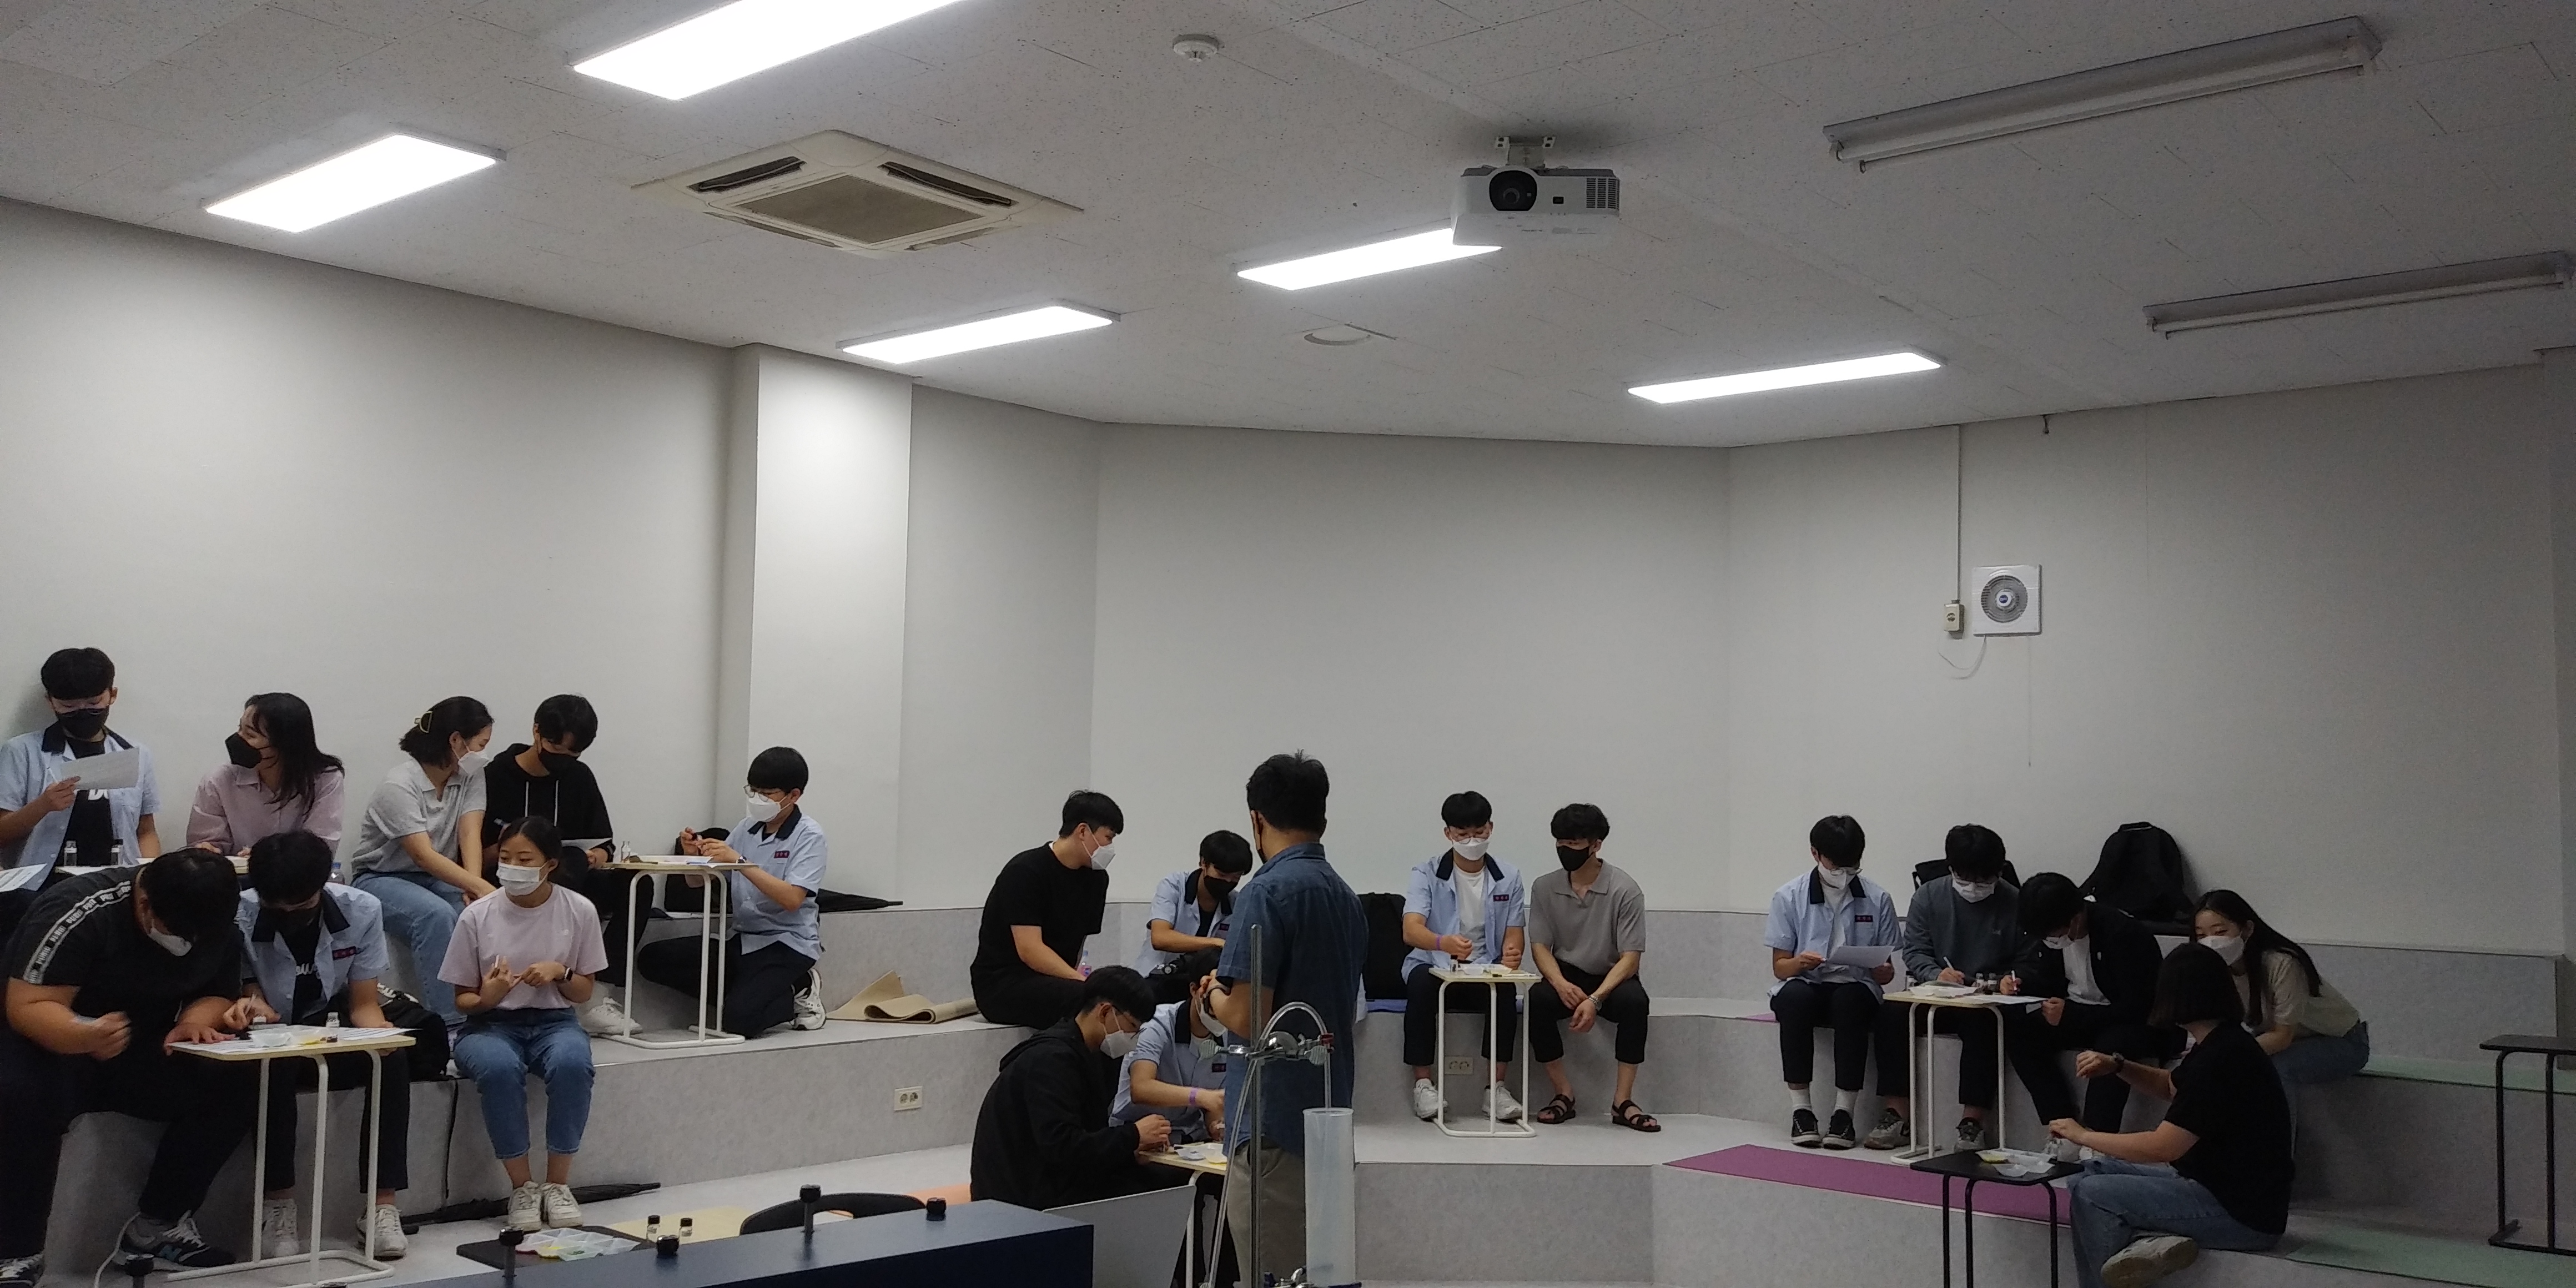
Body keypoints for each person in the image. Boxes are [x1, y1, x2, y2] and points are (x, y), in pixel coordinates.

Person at [0, 850, 256, 1283]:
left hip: (141, 1041)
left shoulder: (214, 916)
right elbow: (28, 1005)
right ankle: (16, 1253)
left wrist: (195, 1022)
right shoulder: (79, 911)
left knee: (239, 1077)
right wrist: (82, 1035)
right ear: (145, 904)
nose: (189, 943)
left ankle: (157, 1226)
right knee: (21, 1093)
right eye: (178, 933)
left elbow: (218, 990)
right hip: (53, 1041)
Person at [1205, 753, 1365, 1283]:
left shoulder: (1265, 893)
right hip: (1326, 1120)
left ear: (1257, 820)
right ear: (1323, 818)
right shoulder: (1346, 898)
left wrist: (1211, 998)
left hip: (1272, 1125)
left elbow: (1249, 1018)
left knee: (1271, 1274)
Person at [2052, 944, 2292, 1288]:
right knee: (2088, 1174)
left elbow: (2162, 1147)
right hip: (2217, 1189)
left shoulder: (2220, 1059)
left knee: (2094, 1194)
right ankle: (2150, 1241)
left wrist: (2082, 1135)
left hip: (2241, 1214)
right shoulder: (2223, 1042)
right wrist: (2118, 1066)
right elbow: (2171, 1085)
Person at [228, 830, 413, 1259]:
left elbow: (364, 1004)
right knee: (275, 1063)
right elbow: (242, 988)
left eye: (300, 906)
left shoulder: (361, 909)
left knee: (390, 1059)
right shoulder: (238, 913)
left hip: (328, 1025)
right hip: (269, 1033)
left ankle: (382, 1207)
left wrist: (380, 1035)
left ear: (321, 886)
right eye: (279, 908)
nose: (289, 914)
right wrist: (251, 1005)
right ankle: (279, 1206)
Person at [438, 817, 606, 1234]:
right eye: (506, 858)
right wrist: (489, 996)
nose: (512, 867)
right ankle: (522, 1188)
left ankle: (557, 1185)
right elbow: (462, 999)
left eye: (524, 859)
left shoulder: (579, 910)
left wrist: (561, 972)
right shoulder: (477, 915)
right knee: (498, 1068)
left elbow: (584, 992)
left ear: (550, 864)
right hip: (488, 1025)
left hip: (555, 1021)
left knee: (573, 1063)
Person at [636, 747, 829, 1037]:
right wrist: (694, 856)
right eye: (754, 791)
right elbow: (697, 883)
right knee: (653, 958)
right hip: (741, 939)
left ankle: (798, 988)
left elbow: (792, 899)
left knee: (739, 1023)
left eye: (767, 794)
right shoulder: (747, 828)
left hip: (786, 944)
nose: (758, 799)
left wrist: (739, 862)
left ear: (793, 796)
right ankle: (748, 996)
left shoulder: (809, 836)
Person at [483, 696, 641, 1036]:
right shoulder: (495, 776)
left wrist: (597, 855)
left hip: (571, 873)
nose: (564, 760)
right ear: (536, 732)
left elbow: (604, 842)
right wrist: (518, 853)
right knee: (565, 864)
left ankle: (598, 995)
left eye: (574, 753)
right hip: (509, 878)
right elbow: (475, 849)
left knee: (635, 885)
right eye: (556, 748)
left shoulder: (579, 777)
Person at [969, 965, 1180, 1210]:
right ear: (1106, 1012)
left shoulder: (1093, 1055)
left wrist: (1131, 1150)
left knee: (1166, 1178)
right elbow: (1062, 1147)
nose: (1134, 1040)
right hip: (1017, 1194)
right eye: (1132, 1027)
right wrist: (1133, 1135)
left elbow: (1084, 1141)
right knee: (1150, 1192)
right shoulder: (1051, 1060)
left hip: (1049, 1176)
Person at [347, 698, 494, 1028]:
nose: (484, 754)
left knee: (477, 914)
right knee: (436, 916)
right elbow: (422, 855)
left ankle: (490, 1014)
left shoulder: (471, 775)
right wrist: (480, 886)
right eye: (481, 745)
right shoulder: (399, 785)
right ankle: (452, 1025)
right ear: (456, 741)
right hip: (380, 878)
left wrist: (474, 889)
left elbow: (469, 832)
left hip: (437, 876)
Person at [1875, 823, 2020, 1152]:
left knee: (1984, 1021)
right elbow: (1915, 950)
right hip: (1937, 992)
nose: (1974, 887)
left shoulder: (2014, 901)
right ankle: (1896, 1114)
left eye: (1983, 880)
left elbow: (2025, 957)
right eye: (1966, 878)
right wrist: (1937, 974)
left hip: (1985, 998)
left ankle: (1972, 1123)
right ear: (1951, 869)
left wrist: (2003, 981)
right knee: (1891, 1013)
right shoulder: (1928, 895)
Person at [1764, 815, 1900, 1149]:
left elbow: (1887, 970)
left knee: (1851, 1001)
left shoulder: (1878, 898)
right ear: (1815, 854)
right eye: (1836, 865)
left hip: (1854, 985)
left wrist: (1883, 972)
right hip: (1807, 982)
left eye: (1851, 866)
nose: (1844, 873)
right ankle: (1802, 1111)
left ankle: (1844, 1114)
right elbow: (1780, 968)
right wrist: (1800, 962)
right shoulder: (1789, 896)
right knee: (1794, 999)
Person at [2003, 873, 2174, 1135]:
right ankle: (2061, 1125)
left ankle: (2096, 1136)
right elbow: (2049, 980)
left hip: (2131, 1023)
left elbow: (2139, 1007)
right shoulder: (2051, 938)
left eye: (2052, 934)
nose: (2049, 940)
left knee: (2111, 1047)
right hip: (2079, 1016)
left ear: (2075, 919)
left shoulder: (2124, 935)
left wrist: (2072, 1014)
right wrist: (2020, 984)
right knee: (2019, 1031)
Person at [1398, 789, 1527, 1123]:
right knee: (1420, 985)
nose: (1472, 841)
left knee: (1505, 989)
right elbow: (1411, 930)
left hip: (1484, 967)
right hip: (1435, 963)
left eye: (1479, 832)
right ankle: (1424, 1085)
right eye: (1462, 834)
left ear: (1491, 828)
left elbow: (1515, 933)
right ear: (1448, 834)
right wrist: (1442, 943)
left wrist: (1513, 954)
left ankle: (1495, 1090)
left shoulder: (1509, 876)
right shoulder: (1427, 873)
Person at [1525, 803, 1654, 1131]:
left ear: (1596, 845)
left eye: (1574, 844)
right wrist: (1559, 983)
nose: (1565, 850)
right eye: (1560, 843)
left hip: (1612, 975)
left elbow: (1630, 957)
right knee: (1537, 1001)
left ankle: (1622, 1101)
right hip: (1567, 973)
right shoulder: (1544, 887)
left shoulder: (1625, 889)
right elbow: (1539, 946)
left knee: (1636, 1003)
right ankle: (1563, 1093)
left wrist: (1596, 999)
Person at [0, 647, 162, 882]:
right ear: (50, 702)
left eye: (94, 703)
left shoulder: (135, 753)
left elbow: (146, 831)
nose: (82, 712)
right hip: (45, 887)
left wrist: (149, 879)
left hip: (119, 884)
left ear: (112, 695)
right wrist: (42, 806)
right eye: (68, 707)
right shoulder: (21, 751)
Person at [972, 791, 1119, 1028]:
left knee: (1124, 992)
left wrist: (1080, 980)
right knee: (1090, 1002)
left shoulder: (1097, 879)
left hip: (1056, 980)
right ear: (1083, 831)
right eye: (1108, 838)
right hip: (1003, 984)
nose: (1110, 847)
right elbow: (1030, 950)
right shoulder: (1025, 871)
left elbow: (1079, 943)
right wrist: (1082, 983)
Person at [2194, 890, 2368, 1089]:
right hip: (2287, 1039)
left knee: (2272, 1067)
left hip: (2342, 1041)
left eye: (2220, 932)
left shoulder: (2282, 964)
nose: (2211, 942)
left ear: (2247, 929)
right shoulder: (2213, 969)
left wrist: (2227, 1054)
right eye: (2201, 936)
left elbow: (2282, 1037)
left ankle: (2277, 1113)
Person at [187, 692, 345, 854]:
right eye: (240, 729)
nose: (238, 739)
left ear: (284, 745)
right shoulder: (219, 780)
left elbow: (320, 848)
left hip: (296, 871)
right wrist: (208, 851)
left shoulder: (325, 779)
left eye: (250, 735)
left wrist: (265, 858)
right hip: (234, 871)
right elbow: (206, 845)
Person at [1134, 829, 1251, 1003]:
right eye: (1221, 875)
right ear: (1203, 863)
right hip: (1155, 980)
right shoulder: (1174, 886)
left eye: (1236, 877)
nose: (1228, 882)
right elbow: (1160, 938)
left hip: (1200, 988)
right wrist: (1216, 943)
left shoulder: (1236, 903)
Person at [1115, 971, 1230, 1142]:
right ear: (1195, 990)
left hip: (1190, 1139)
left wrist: (1216, 1124)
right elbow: (1141, 1088)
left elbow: (1214, 1104)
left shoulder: (1229, 1037)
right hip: (1137, 1136)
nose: (1220, 1015)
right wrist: (1200, 1097)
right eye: (1213, 1005)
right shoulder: (1156, 1024)